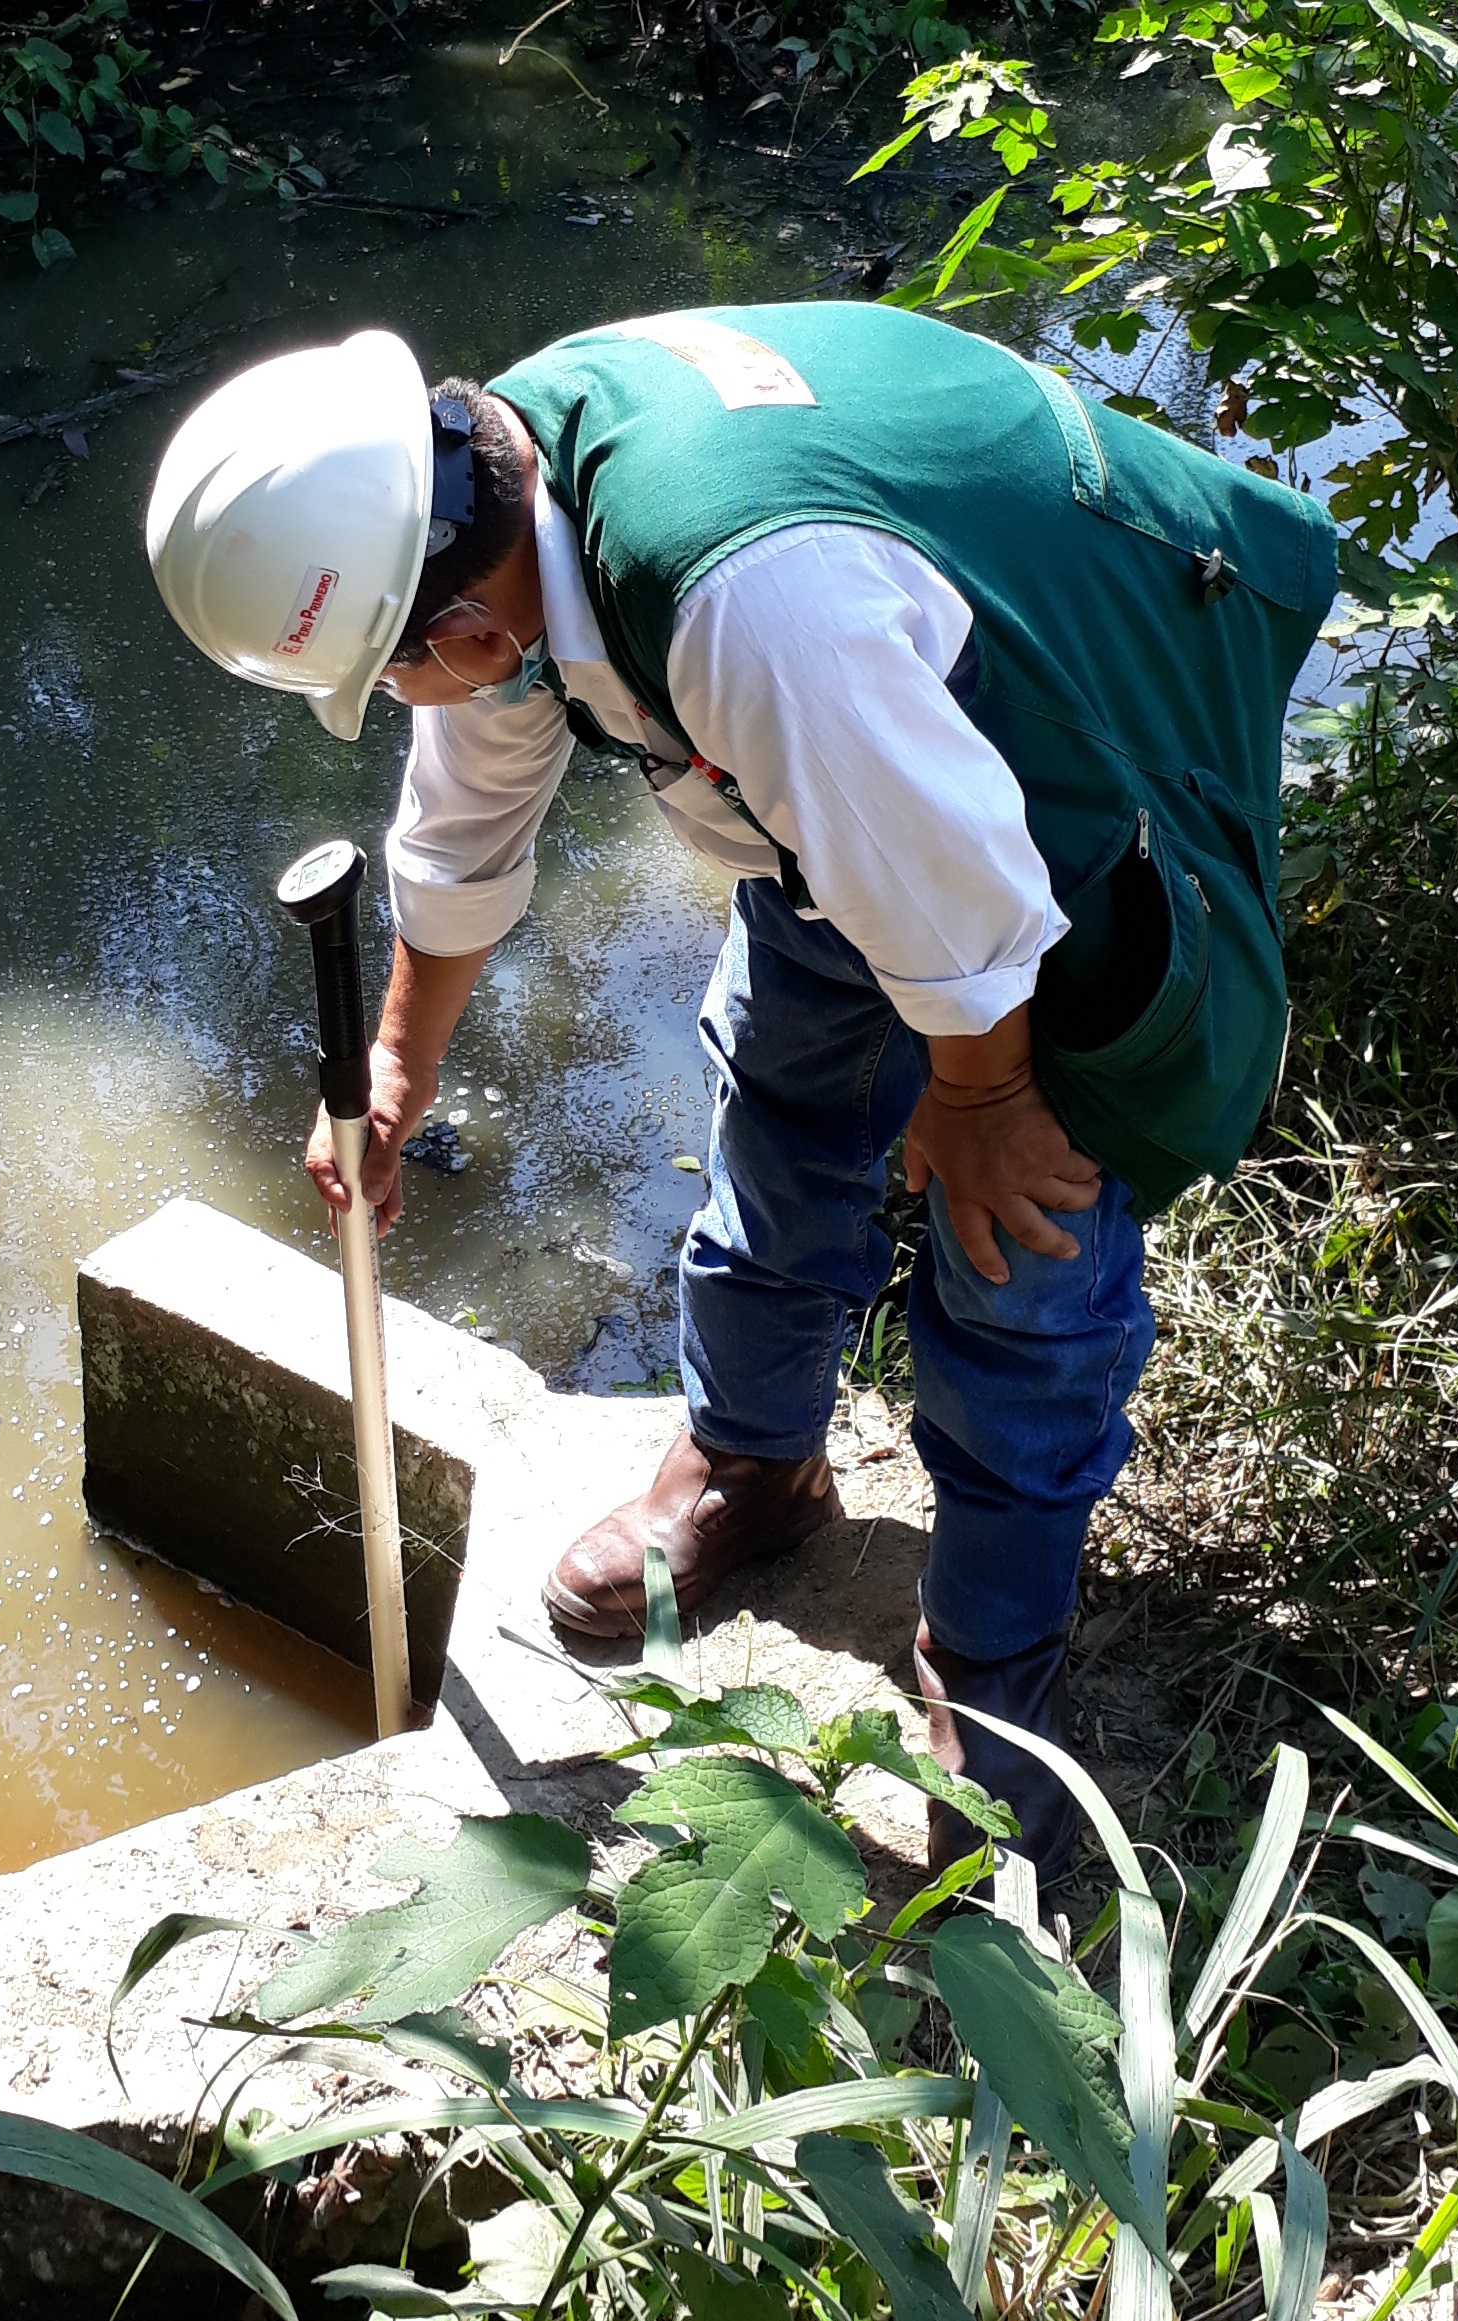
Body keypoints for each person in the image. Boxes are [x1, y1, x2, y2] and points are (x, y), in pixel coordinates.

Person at [144, 302, 1332, 1872]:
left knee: (1017, 1242)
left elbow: (960, 898)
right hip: (858, 786)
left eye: (391, 677)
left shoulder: (741, 603)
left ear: (460, 635)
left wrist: (973, 1097)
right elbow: (471, 811)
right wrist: (396, 1055)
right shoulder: (490, 501)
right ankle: (756, 1468)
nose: (416, 700)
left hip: (1051, 762)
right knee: (780, 1106)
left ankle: (990, 1684)